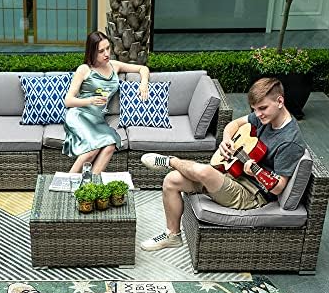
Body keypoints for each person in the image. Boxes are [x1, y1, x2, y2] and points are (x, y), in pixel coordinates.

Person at [140, 77, 307, 251]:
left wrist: (256, 172)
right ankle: (172, 236)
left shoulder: (289, 142)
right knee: (171, 180)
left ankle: (171, 160)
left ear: (279, 101)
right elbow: (234, 124)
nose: (258, 114)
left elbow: (278, 187)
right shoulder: (265, 117)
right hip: (233, 174)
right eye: (255, 109)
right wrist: (227, 140)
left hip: (250, 194)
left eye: (262, 108)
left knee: (205, 171)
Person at [63, 30, 150, 174]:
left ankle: (91, 184)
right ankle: (65, 182)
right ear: (92, 52)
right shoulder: (84, 69)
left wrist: (144, 83)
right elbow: (68, 101)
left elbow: (143, 68)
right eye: (101, 51)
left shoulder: (114, 66)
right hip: (80, 116)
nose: (106, 54)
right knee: (91, 150)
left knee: (110, 145)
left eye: (108, 48)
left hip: (98, 119)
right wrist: (90, 100)